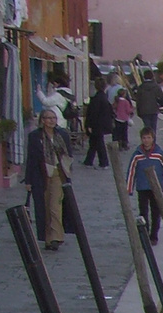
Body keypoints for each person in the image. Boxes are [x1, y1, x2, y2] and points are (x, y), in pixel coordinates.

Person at [24, 109, 73, 250]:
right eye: (48, 118)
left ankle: (56, 237)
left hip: (58, 173)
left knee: (55, 206)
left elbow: (68, 154)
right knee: (43, 207)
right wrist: (28, 180)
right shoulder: (35, 136)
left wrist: (68, 172)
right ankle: (47, 238)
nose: (52, 120)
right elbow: (31, 159)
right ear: (42, 120)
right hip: (41, 175)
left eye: (54, 118)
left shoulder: (62, 134)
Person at [127, 126, 163, 245]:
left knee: (156, 212)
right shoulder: (137, 155)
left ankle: (154, 236)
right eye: (144, 138)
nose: (146, 140)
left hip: (156, 188)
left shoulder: (159, 154)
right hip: (142, 187)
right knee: (143, 212)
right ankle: (145, 235)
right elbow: (131, 171)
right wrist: (129, 188)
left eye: (148, 138)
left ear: (153, 139)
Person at [83, 81, 111, 167]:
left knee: (98, 143)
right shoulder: (104, 98)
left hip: (96, 124)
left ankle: (103, 162)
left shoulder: (96, 99)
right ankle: (88, 161)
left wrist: (89, 125)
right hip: (101, 124)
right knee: (94, 143)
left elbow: (92, 113)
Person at [133, 74, 163, 139]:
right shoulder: (156, 86)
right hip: (154, 109)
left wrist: (138, 111)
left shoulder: (141, 87)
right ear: (152, 77)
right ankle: (153, 142)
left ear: (144, 77)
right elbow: (161, 98)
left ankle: (147, 142)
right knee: (153, 128)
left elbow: (138, 100)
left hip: (144, 110)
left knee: (147, 128)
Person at [112, 78, 135, 148]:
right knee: (124, 132)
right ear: (124, 95)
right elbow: (128, 110)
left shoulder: (117, 101)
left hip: (117, 118)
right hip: (124, 119)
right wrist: (132, 109)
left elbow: (113, 107)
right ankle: (124, 144)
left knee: (118, 132)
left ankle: (118, 143)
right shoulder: (126, 102)